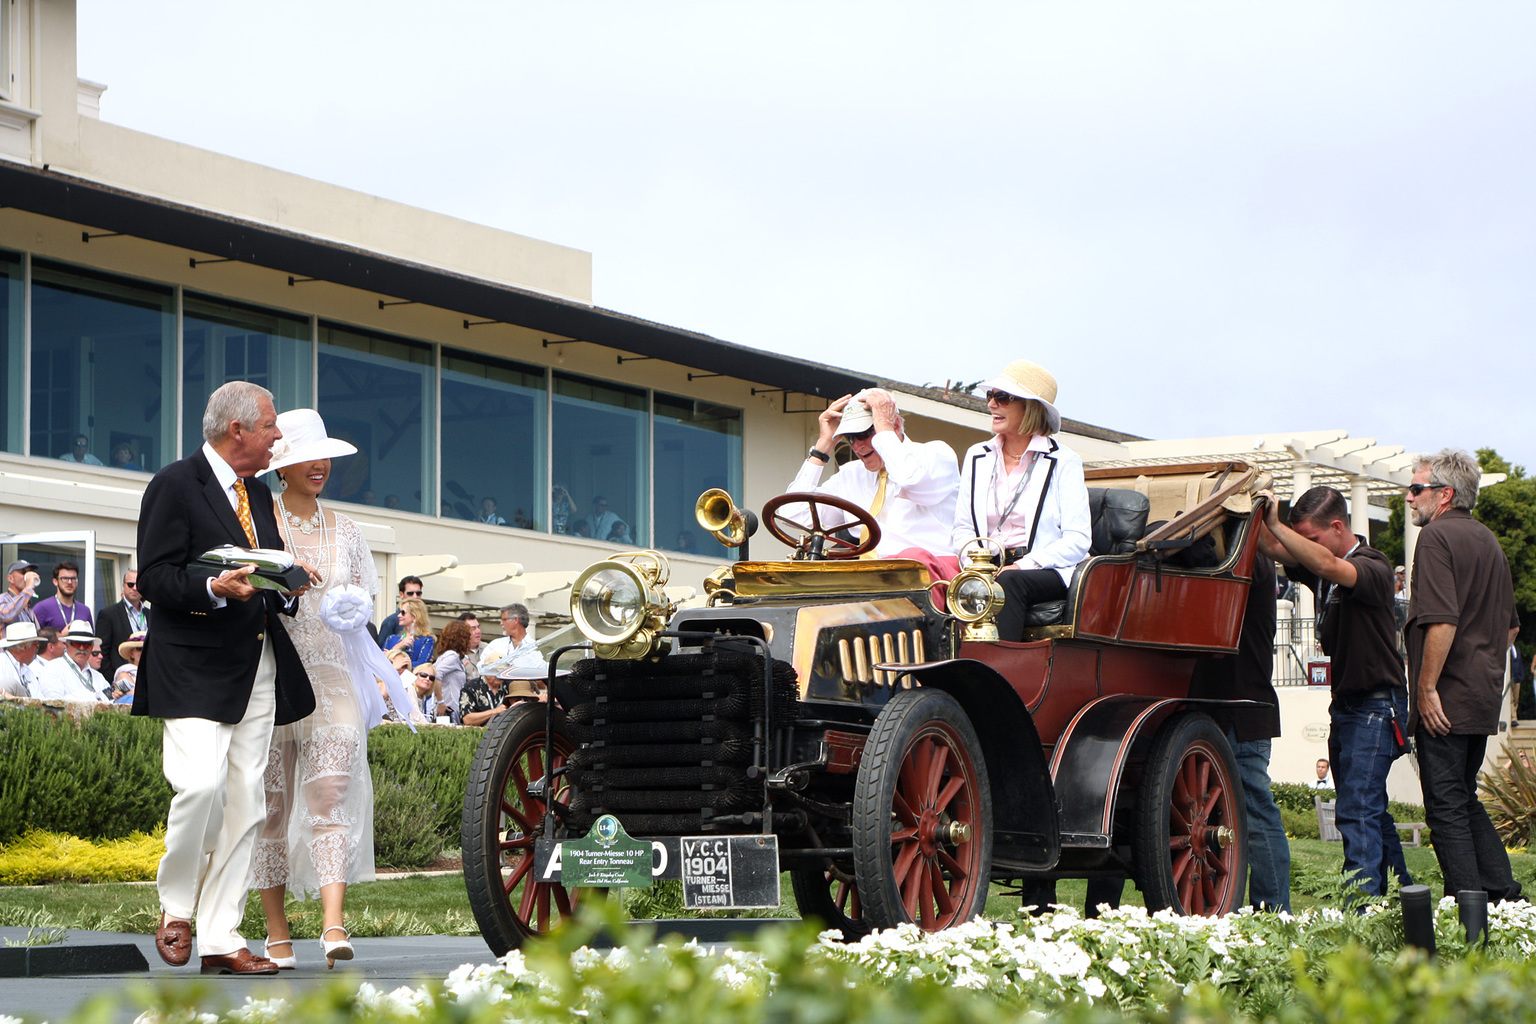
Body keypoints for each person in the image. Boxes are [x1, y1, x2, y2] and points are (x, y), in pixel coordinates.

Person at [132, 380, 316, 976]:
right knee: (200, 787)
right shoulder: (174, 484)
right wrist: (212, 586)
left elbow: (260, 571)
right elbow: (156, 577)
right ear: (237, 429)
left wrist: (287, 581)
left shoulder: (259, 495)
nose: (278, 438)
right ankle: (176, 907)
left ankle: (220, 936)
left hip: (256, 662)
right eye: (270, 426)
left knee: (246, 804)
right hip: (190, 665)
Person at [254, 407, 380, 971]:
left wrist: (352, 608)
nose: (320, 465)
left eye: (325, 456)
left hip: (333, 677)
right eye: (308, 457)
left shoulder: (348, 531)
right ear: (283, 465)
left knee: (331, 798)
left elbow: (365, 605)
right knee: (270, 807)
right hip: (274, 675)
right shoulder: (258, 522)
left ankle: (334, 925)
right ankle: (276, 933)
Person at [1257, 484, 1410, 898]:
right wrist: (1253, 514)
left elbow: (1326, 564)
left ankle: (1363, 912)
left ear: (1338, 526)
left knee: (1357, 811)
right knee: (1369, 813)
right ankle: (1404, 899)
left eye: (1312, 538)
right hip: (1347, 706)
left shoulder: (1373, 566)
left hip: (1377, 706)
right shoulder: (1319, 560)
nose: (1306, 549)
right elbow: (1278, 548)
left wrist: (1275, 523)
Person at [1405, 448, 1522, 903]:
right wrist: (1485, 666)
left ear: (1444, 494)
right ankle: (1503, 896)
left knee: (1445, 805)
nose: (1410, 498)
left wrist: (1428, 686)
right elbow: (1510, 625)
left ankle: (1470, 909)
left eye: (1417, 489)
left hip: (1448, 696)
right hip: (1480, 694)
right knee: (1463, 796)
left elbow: (1442, 621)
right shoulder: (1488, 540)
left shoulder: (1436, 539)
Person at [948, 360, 1090, 639]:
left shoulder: (1064, 461)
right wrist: (976, 566)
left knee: (1009, 582)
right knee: (944, 581)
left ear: (1031, 407)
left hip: (1044, 568)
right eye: (991, 396)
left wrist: (1023, 565)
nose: (991, 404)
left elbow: (1078, 540)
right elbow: (962, 528)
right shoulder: (977, 456)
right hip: (989, 566)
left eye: (1003, 398)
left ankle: (999, 672)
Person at [1189, 550, 1290, 912]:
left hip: (1239, 711)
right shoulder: (1250, 558)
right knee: (1234, 816)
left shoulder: (1249, 558)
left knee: (1254, 813)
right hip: (1234, 709)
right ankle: (1241, 908)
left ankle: (1274, 910)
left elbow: (1198, 553)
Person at [784, 388, 958, 560]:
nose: (858, 446)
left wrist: (883, 427)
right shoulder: (851, 474)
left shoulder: (936, 454)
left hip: (930, 572)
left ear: (895, 426)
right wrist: (822, 448)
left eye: (864, 434)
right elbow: (791, 515)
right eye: (850, 437)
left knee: (910, 558)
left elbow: (909, 482)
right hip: (872, 576)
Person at [34, 621, 108, 703]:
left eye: (86, 644)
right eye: (76, 643)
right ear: (67, 645)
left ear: (91, 647)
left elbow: (111, 703)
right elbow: (54, 704)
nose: (81, 648)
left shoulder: (99, 677)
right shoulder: (53, 669)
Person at [97, 570, 150, 677]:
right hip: (122, 677)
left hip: (149, 674)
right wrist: (113, 680)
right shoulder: (108, 614)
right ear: (123, 586)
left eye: (138, 584)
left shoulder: (150, 614)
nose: (135, 588)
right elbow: (102, 651)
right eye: (130, 585)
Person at [480, 603, 547, 685]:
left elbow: (544, 680)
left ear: (516, 620)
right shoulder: (495, 645)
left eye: (504, 620)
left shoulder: (536, 649)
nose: (501, 623)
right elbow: (481, 669)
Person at [459, 665, 539, 726]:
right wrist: (495, 711)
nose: (500, 675)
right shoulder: (471, 687)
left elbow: (524, 698)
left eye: (503, 671)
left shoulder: (509, 684)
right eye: (497, 671)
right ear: (486, 671)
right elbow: (467, 719)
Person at [431, 619, 474, 725]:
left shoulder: (444, 656)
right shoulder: (452, 657)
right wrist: (441, 702)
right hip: (450, 706)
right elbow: (436, 675)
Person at [32, 561, 95, 633]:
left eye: (73, 578)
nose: (69, 582)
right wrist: (61, 636)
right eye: (65, 578)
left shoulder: (85, 611)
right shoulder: (42, 608)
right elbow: (35, 641)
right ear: (55, 581)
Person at [382, 597, 435, 668]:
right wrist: (398, 646)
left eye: (403, 613)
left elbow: (421, 666)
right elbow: (381, 663)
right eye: (399, 612)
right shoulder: (391, 638)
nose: (399, 615)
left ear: (415, 616)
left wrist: (394, 661)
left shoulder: (426, 640)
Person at [377, 576, 423, 649]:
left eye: (418, 593)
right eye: (410, 593)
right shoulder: (391, 621)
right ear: (401, 594)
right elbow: (380, 651)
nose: (415, 597)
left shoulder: (423, 619)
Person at [0, 623, 42, 697]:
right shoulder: (2, 663)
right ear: (24, 647)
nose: (36, 650)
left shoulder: (27, 670)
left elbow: (39, 698)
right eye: (36, 645)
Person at [0, 561, 40, 628]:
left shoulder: (26, 603)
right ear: (10, 578)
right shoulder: (2, 598)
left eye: (30, 572)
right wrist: (28, 587)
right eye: (23, 572)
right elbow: (6, 615)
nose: (27, 577)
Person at [113, 631, 146, 701]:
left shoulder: (158, 673)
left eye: (147, 648)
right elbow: (135, 700)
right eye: (139, 649)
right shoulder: (124, 674)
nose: (143, 652)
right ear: (131, 654)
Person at [457, 612, 484, 684]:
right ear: (463, 632)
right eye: (473, 628)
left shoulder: (490, 649)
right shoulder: (455, 654)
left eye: (478, 627)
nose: (478, 631)